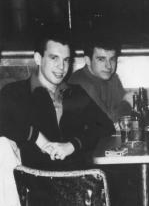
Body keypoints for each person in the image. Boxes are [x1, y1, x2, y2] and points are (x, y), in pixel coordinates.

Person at [0, 30, 115, 171]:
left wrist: (72, 145)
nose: (61, 67)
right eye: (54, 58)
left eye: (66, 60)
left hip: (78, 179)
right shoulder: (16, 92)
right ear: (38, 58)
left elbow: (106, 126)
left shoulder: (76, 93)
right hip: (34, 184)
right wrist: (35, 136)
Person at [68, 34, 131, 123]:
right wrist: (128, 103)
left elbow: (123, 117)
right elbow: (106, 122)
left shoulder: (113, 78)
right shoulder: (80, 83)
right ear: (87, 60)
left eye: (112, 59)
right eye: (101, 59)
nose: (108, 66)